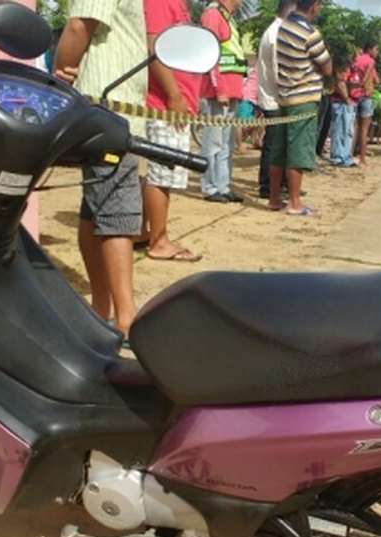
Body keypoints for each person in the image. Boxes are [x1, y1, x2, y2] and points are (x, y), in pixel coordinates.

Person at [53, 0, 147, 337]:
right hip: (109, 113)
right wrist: (62, 70)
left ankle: (101, 311)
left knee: (94, 212)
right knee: (117, 214)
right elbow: (79, 25)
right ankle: (126, 320)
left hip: (105, 112)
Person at [142, 0, 203, 262]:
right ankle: (158, 240)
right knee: (163, 172)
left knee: (163, 172)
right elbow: (153, 45)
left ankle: (144, 232)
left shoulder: (179, 5)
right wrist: (174, 95)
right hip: (165, 104)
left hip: (177, 102)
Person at [268, 0, 331, 216]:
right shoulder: (310, 33)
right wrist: (314, 65)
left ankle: (274, 198)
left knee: (279, 151)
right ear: (314, 6)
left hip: (284, 95)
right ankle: (294, 202)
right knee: (298, 151)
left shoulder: (283, 26)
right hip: (303, 97)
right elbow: (328, 66)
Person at [199, 0, 247, 203]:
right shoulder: (213, 14)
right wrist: (219, 89)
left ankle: (223, 185)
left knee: (226, 142)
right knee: (214, 141)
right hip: (219, 91)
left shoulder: (229, 18)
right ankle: (210, 187)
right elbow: (210, 53)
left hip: (232, 89)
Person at [254, 0, 298, 201]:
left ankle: (281, 183)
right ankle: (266, 184)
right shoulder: (276, 33)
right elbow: (277, 69)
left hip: (278, 96)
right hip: (275, 97)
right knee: (272, 144)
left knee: (280, 144)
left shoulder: (279, 31)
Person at [350, 40, 380, 167]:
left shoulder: (355, 59)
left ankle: (350, 155)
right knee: (364, 129)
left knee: (354, 128)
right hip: (366, 95)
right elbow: (373, 79)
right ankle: (362, 158)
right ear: (370, 49)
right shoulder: (371, 61)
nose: (377, 52)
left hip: (354, 95)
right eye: (376, 49)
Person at [328, 59, 356, 166]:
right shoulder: (342, 66)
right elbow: (340, 82)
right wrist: (346, 98)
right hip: (341, 102)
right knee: (340, 130)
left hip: (349, 102)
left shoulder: (350, 66)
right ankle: (338, 157)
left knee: (348, 131)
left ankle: (345, 156)